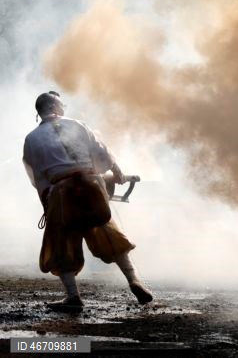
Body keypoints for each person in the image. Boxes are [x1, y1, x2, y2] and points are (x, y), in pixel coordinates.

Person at [22, 91, 153, 312]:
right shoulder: (77, 124)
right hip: (91, 187)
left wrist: (47, 204)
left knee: (61, 244)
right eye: (61, 104)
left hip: (61, 193)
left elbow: (38, 178)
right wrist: (118, 173)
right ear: (53, 106)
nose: (63, 107)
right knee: (112, 237)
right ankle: (135, 281)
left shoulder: (32, 139)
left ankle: (73, 297)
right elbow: (103, 154)